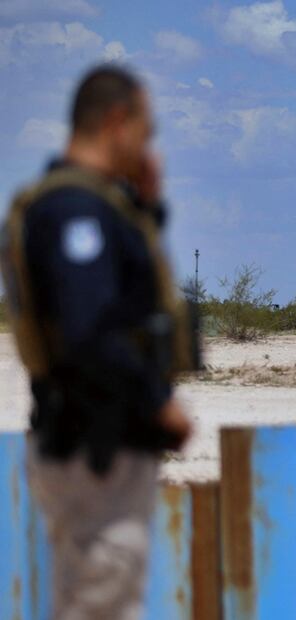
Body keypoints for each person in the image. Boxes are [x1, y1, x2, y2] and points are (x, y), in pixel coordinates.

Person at [0, 65, 196, 618]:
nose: (148, 145)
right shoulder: (74, 210)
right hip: (95, 448)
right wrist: (159, 404)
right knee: (101, 606)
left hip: (95, 445)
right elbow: (89, 330)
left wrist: (149, 208)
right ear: (117, 121)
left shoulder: (92, 206)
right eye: (146, 129)